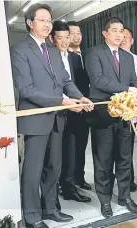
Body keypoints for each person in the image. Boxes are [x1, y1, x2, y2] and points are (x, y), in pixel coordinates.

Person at [10, 4, 93, 227]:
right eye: (43, 20)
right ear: (30, 23)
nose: (47, 24)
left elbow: (65, 81)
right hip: (36, 120)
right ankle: (32, 216)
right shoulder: (20, 50)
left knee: (54, 167)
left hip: (57, 118)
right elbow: (26, 89)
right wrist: (63, 101)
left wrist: (80, 97)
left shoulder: (54, 51)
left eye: (49, 20)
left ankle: (50, 209)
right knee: (33, 170)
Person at [85, 17, 137, 218]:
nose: (119, 35)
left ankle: (125, 196)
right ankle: (105, 200)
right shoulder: (94, 53)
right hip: (103, 116)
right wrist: (126, 89)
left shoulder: (127, 57)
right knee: (103, 160)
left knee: (125, 159)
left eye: (122, 31)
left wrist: (136, 100)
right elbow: (98, 80)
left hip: (126, 117)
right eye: (115, 31)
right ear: (105, 33)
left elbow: (135, 81)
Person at [48, 21, 91, 203]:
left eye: (68, 37)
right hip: (55, 112)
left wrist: (82, 101)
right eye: (61, 38)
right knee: (53, 157)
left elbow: (78, 85)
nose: (65, 41)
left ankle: (69, 188)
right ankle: (51, 193)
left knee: (71, 152)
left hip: (74, 112)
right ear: (52, 39)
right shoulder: (48, 58)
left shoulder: (75, 58)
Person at [66, 21, 91, 190]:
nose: (76, 36)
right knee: (69, 147)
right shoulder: (62, 56)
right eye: (72, 33)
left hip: (86, 107)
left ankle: (79, 177)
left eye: (79, 33)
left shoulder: (88, 55)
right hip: (69, 106)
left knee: (82, 145)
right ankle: (67, 181)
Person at [119, 27, 137, 192]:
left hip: (132, 110)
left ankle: (129, 181)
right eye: (120, 36)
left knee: (127, 149)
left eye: (126, 37)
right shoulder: (108, 57)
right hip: (114, 109)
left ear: (132, 41)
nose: (123, 39)